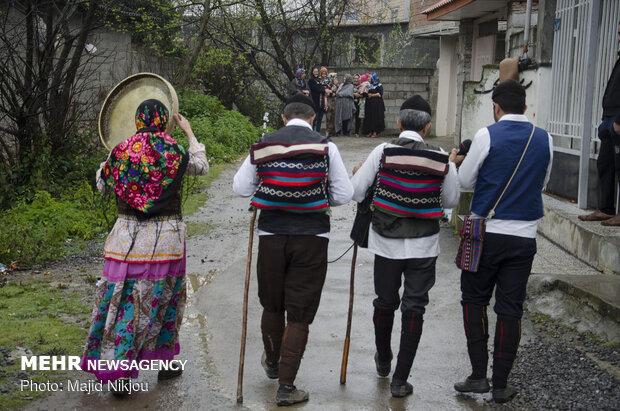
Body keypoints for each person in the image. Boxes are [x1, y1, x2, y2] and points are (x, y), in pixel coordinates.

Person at [232, 94, 353, 406]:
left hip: (271, 234)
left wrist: (271, 189)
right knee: (299, 312)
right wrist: (318, 197)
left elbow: (241, 187)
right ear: (312, 118)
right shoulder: (327, 146)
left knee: (272, 305)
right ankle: (286, 387)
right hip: (312, 237)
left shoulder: (264, 144)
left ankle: (272, 362)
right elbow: (344, 193)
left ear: (284, 118)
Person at [81, 100, 209, 394]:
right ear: (164, 121)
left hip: (124, 240)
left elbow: (101, 183)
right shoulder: (174, 151)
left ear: (137, 121)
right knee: (163, 300)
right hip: (166, 239)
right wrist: (189, 134)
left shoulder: (120, 152)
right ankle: (163, 363)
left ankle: (121, 372)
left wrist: (117, 158)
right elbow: (201, 167)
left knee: (125, 302)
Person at [350, 95, 459, 398]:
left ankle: (383, 358)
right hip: (424, 246)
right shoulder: (439, 157)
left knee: (385, 302)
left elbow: (357, 192)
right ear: (427, 126)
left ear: (398, 123)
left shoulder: (383, 151)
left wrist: (361, 173)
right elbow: (451, 201)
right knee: (415, 307)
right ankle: (400, 380)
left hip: (386, 243)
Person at [453, 80, 553, 403]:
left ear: (496, 107)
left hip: (485, 233)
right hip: (524, 238)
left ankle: (478, 375)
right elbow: (543, 183)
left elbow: (466, 181)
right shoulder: (544, 139)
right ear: (525, 107)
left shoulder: (486, 135)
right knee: (511, 308)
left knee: (474, 299)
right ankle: (500, 384)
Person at [579, 23, 620, 226]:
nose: (619, 37)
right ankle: (605, 209)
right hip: (609, 120)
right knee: (605, 164)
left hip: (617, 121)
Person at [362, 72, 385, 138]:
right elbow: (364, 93)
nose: (368, 78)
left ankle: (375, 132)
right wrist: (366, 93)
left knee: (376, 117)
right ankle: (369, 131)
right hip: (369, 104)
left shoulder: (379, 85)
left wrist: (371, 95)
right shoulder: (368, 85)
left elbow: (380, 94)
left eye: (370, 77)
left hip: (377, 104)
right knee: (369, 117)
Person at [308, 66, 326, 133]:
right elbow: (316, 89)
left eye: (317, 72)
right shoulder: (311, 80)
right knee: (314, 119)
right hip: (315, 102)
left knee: (320, 119)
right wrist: (321, 88)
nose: (316, 73)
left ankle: (318, 133)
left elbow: (323, 90)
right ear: (312, 72)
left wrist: (321, 89)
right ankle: (312, 132)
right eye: (314, 72)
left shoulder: (319, 80)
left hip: (321, 102)